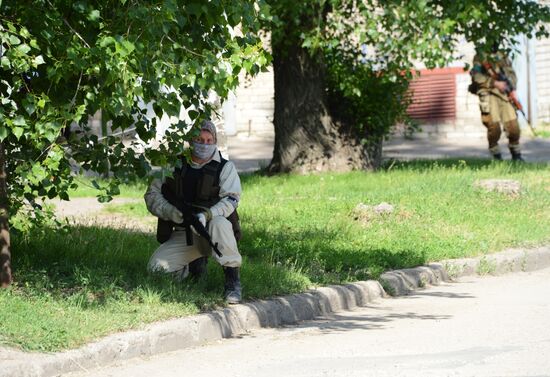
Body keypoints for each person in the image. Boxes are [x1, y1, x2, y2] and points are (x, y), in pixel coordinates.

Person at [144, 120, 243, 304]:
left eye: (208, 140)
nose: (204, 144)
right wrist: (173, 212)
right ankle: (191, 269)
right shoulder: (175, 165)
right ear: (191, 140)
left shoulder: (225, 167)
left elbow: (231, 200)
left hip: (213, 232)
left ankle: (232, 282)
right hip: (186, 233)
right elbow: (152, 195)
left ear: (214, 141)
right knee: (156, 270)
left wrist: (207, 215)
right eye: (199, 139)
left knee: (221, 223)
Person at [470, 45, 524, 161]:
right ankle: (497, 156)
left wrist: (512, 88)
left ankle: (517, 156)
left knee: (513, 126)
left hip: (505, 93)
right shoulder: (480, 56)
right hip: (489, 93)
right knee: (493, 127)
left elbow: (511, 73)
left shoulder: (502, 55)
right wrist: (494, 83)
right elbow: (476, 76)